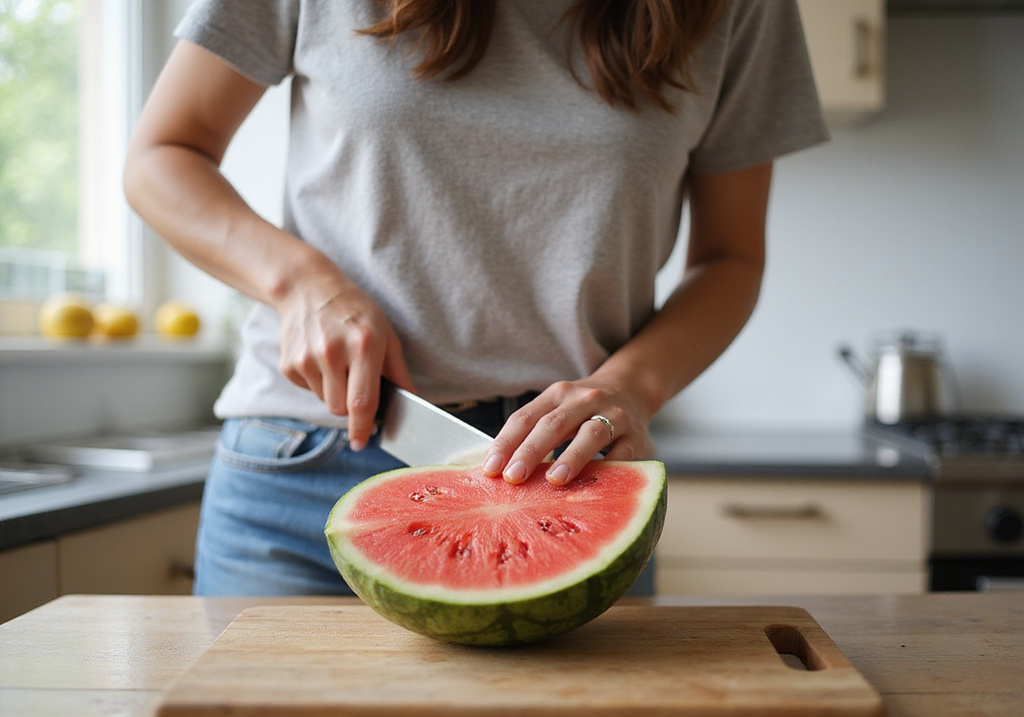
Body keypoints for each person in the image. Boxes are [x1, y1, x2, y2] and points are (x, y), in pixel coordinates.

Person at [124, 0, 828, 596]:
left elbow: (729, 258)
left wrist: (629, 387)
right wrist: (300, 282)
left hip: (571, 474)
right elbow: (162, 155)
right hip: (308, 461)